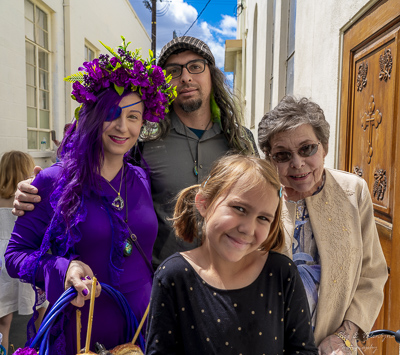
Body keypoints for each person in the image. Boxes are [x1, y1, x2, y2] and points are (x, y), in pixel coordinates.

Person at [12, 36, 259, 270]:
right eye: (174, 71)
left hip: (231, 279)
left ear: (212, 75)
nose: (185, 77)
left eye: (195, 66)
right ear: (165, 86)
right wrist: (41, 189)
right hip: (163, 284)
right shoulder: (143, 139)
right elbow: (90, 174)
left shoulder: (241, 142)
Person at [5, 37, 175, 354]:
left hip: (139, 326)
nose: (122, 126)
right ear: (95, 115)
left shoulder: (139, 178)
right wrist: (62, 268)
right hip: (80, 328)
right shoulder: (53, 181)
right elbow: (14, 257)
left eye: (133, 116)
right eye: (113, 112)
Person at [145, 154, 318, 355]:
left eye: (263, 218)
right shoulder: (173, 275)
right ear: (204, 203)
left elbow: (303, 350)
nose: (248, 228)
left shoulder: (281, 273)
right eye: (240, 208)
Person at [257, 96, 388, 355]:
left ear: (324, 146)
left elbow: (372, 274)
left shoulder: (353, 191)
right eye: (283, 155)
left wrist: (345, 336)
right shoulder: (258, 198)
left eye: (307, 149)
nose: (297, 163)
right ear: (270, 160)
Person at [0, 151, 47, 354]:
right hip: (27, 255)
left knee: (3, 320)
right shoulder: (32, 197)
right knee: (40, 309)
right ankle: (42, 349)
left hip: (3, 259)